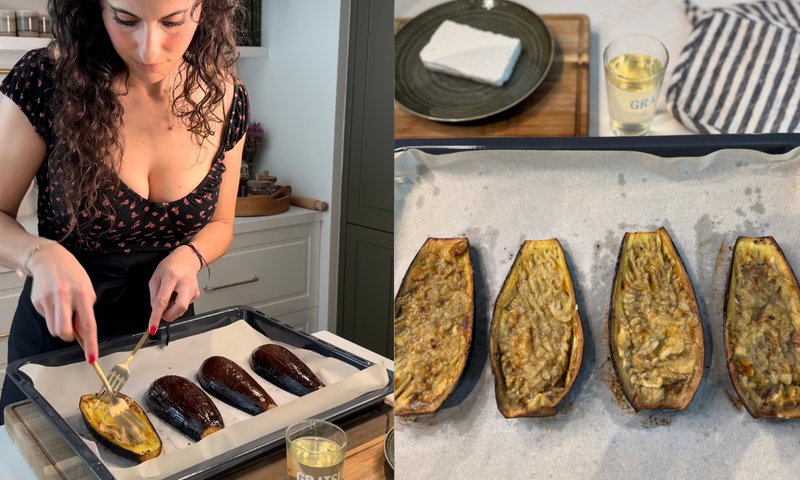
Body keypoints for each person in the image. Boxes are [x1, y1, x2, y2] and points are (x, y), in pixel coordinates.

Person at [0, 0, 249, 422]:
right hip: (59, 339)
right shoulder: (46, 81)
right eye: (125, 20)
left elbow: (222, 223)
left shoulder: (225, 96)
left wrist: (190, 257)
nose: (149, 50)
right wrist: (38, 254)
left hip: (166, 338)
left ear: (203, 9)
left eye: (172, 21)